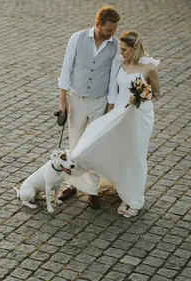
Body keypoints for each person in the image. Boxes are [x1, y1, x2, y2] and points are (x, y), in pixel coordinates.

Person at [66, 30, 161, 217]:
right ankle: (82, 177)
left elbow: (157, 92)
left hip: (138, 117)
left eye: (125, 50)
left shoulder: (149, 69)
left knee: (135, 155)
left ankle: (133, 199)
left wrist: (143, 95)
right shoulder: (121, 64)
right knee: (104, 145)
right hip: (118, 114)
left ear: (134, 49)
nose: (121, 53)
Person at [57, 6, 122, 209]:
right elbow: (67, 68)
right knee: (75, 144)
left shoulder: (115, 45)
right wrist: (62, 99)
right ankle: (71, 185)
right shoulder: (77, 38)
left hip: (100, 101)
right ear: (97, 24)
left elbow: (113, 78)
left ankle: (92, 190)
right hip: (77, 99)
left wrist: (110, 108)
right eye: (108, 30)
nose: (111, 34)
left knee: (94, 146)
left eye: (114, 30)